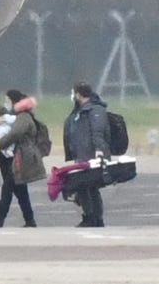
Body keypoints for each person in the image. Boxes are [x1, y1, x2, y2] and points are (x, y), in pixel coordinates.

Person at [0, 90, 45, 228]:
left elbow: (16, 134)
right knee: (20, 191)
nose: (5, 102)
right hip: (7, 158)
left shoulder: (23, 117)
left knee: (7, 187)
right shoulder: (6, 114)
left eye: (7, 100)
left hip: (18, 158)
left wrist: (1, 143)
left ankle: (0, 218)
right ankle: (30, 220)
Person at [63, 81, 111, 227]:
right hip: (81, 155)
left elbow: (98, 132)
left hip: (91, 156)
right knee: (88, 187)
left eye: (73, 93)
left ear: (78, 94)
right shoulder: (80, 111)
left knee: (86, 187)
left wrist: (99, 151)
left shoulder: (95, 110)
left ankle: (92, 217)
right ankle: (93, 217)